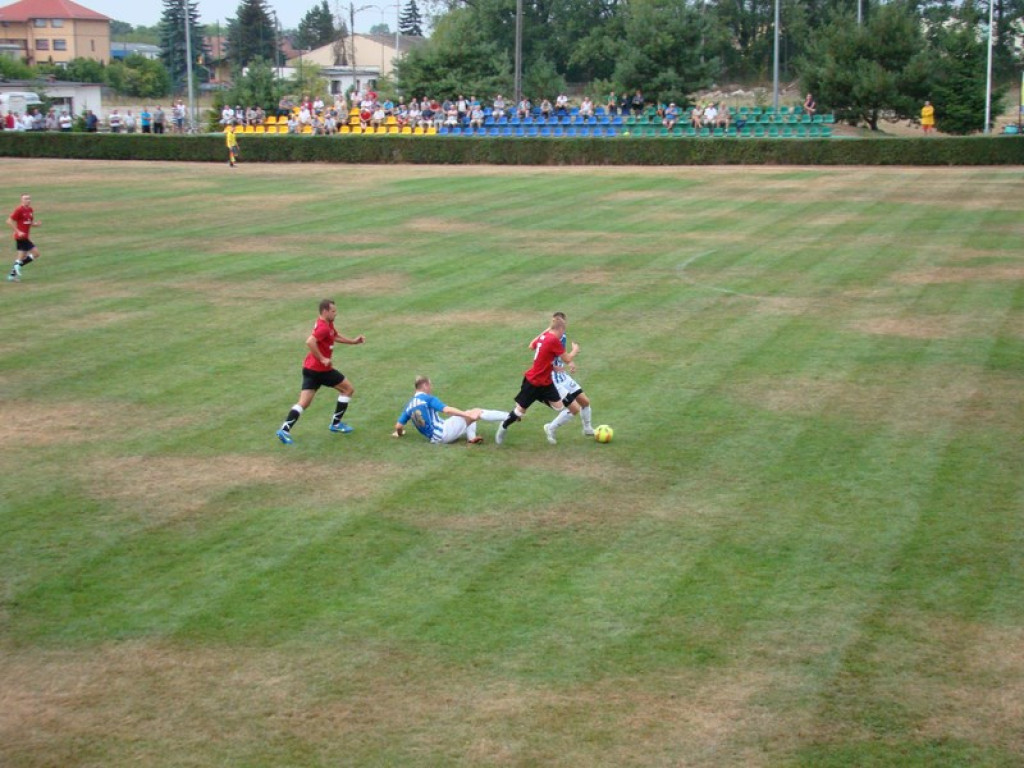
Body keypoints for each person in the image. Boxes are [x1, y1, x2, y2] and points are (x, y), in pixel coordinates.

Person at [276, 299, 365, 444]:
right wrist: (323, 358)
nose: (336, 313)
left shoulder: (327, 324)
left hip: (309, 369)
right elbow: (310, 342)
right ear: (325, 311)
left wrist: (353, 342)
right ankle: (335, 424)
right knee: (348, 389)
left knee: (303, 403)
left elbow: (334, 336)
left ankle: (284, 429)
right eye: (333, 311)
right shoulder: (323, 327)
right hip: (321, 371)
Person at [495, 313, 579, 446]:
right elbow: (567, 358)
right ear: (560, 329)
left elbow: (532, 346)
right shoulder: (553, 340)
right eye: (563, 330)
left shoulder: (544, 336)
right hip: (533, 382)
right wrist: (575, 350)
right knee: (519, 412)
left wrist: (553, 367)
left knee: (559, 407)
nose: (563, 334)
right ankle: (503, 426)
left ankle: (539, 400)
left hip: (545, 382)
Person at [392, 375, 507, 445]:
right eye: (430, 385)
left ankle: (471, 439)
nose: (431, 388)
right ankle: (509, 416)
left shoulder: (409, 405)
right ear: (425, 385)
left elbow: (398, 426)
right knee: (475, 412)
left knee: (468, 414)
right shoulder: (427, 399)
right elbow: (446, 410)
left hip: (434, 438)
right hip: (444, 432)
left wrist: (400, 434)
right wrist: (467, 415)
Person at [544, 312, 596, 442]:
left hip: (563, 376)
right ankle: (550, 428)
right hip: (553, 380)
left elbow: (562, 355)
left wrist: (569, 362)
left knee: (585, 402)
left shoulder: (562, 336)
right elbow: (551, 358)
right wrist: (575, 351)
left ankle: (587, 428)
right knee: (574, 409)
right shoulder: (549, 338)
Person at [7, 193, 42, 282]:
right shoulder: (19, 210)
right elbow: (9, 221)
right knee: (36, 253)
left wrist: (36, 224)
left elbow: (29, 222)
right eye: (26, 199)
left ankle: (12, 275)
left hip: (25, 237)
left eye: (29, 199)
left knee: (21, 257)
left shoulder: (30, 210)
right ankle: (17, 266)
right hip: (21, 237)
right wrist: (18, 231)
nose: (28, 200)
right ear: (21, 200)